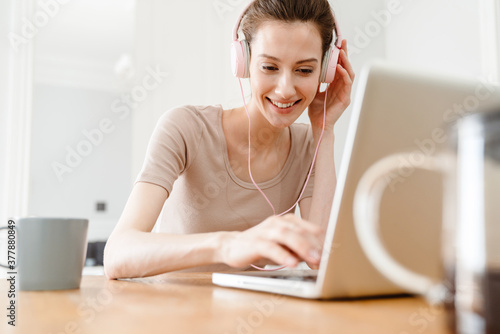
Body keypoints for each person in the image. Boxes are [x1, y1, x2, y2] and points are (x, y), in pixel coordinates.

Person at [104, 0, 355, 279]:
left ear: (326, 71)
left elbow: (323, 258)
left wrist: (325, 130)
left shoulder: (309, 144)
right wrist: (229, 244)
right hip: (174, 313)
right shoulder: (186, 128)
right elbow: (117, 254)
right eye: (270, 67)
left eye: (305, 70)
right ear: (243, 62)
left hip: (254, 316)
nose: (285, 89)